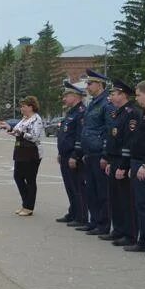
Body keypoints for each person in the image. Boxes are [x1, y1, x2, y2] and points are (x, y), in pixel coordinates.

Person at [99, 79, 141, 246]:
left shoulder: (132, 113)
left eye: (114, 93)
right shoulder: (117, 112)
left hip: (125, 161)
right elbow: (113, 139)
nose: (111, 96)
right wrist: (109, 159)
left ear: (123, 95)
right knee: (115, 198)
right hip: (114, 159)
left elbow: (129, 142)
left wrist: (123, 166)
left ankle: (130, 234)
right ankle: (118, 230)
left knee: (126, 199)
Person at [77, 69, 115, 235]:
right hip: (90, 152)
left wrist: (106, 154)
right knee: (91, 189)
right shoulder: (93, 103)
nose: (87, 86)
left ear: (100, 84)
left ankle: (104, 224)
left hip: (100, 152)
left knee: (102, 191)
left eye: (90, 83)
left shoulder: (106, 103)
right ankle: (94, 221)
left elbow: (109, 130)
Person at [0, 96, 44, 216]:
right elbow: (17, 130)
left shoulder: (36, 119)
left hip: (31, 152)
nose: (21, 108)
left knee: (30, 179)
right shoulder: (24, 119)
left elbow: (34, 136)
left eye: (24, 106)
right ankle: (25, 204)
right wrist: (9, 128)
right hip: (20, 151)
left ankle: (29, 207)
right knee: (17, 176)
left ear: (31, 107)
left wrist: (18, 132)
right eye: (21, 106)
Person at [127, 79, 145, 257]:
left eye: (138, 95)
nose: (136, 98)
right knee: (140, 204)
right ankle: (144, 240)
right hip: (138, 162)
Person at [55, 81, 88, 228]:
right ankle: (73, 212)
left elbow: (80, 137)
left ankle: (81, 216)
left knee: (77, 187)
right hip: (65, 155)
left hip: (73, 156)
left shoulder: (81, 113)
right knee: (70, 186)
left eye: (66, 96)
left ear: (75, 96)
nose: (64, 99)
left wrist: (75, 155)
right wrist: (61, 153)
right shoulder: (71, 112)